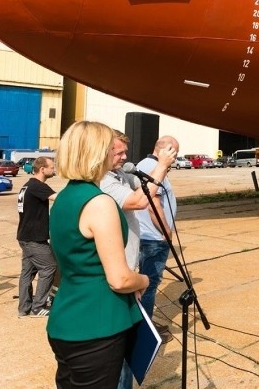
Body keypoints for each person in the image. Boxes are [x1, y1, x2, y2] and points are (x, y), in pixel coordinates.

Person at [46, 121, 149, 388]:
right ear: (96, 153)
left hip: (65, 319)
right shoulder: (100, 202)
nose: (117, 155)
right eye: (109, 148)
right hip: (97, 325)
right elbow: (120, 279)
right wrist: (143, 280)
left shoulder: (65, 197)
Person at [100, 130, 175, 389]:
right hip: (119, 274)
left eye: (124, 151)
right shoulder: (104, 182)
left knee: (125, 349)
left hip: (127, 268)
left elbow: (144, 187)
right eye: (118, 152)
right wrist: (162, 165)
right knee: (117, 345)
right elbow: (142, 199)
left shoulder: (122, 174)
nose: (124, 157)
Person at [136, 136, 180, 331]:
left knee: (145, 282)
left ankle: (142, 323)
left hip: (148, 236)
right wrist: (166, 231)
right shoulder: (151, 167)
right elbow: (153, 204)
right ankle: (145, 327)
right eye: (174, 154)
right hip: (154, 238)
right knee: (149, 284)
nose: (175, 159)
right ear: (166, 151)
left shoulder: (146, 165)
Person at [16, 156, 57, 317]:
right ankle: (39, 306)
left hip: (25, 236)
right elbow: (59, 198)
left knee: (27, 273)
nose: (54, 170)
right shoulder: (37, 186)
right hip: (34, 239)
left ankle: (23, 308)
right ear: (42, 169)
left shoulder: (27, 186)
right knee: (49, 267)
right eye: (52, 167)